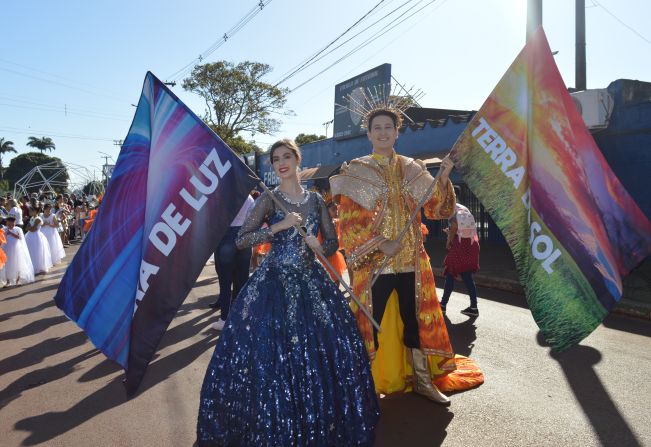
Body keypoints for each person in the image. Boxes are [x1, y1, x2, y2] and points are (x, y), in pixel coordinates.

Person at [197, 139, 379, 446]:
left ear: (297, 159)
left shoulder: (317, 201)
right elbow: (242, 239)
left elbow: (333, 242)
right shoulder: (268, 199)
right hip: (273, 282)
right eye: (275, 159)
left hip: (312, 281)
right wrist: (278, 229)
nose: (281, 163)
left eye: (286, 157)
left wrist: (320, 246)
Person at [331, 105, 483, 405]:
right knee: (369, 321)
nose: (383, 132)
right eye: (378, 128)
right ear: (369, 133)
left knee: (414, 322)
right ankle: (364, 385)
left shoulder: (412, 167)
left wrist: (444, 177)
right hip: (376, 264)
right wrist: (379, 243)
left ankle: (422, 381)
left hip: (411, 259)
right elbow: (349, 223)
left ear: (397, 131)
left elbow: (435, 209)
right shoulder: (357, 170)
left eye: (389, 127)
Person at [207, 194, 255, 330]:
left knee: (225, 281)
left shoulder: (224, 195)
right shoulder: (249, 198)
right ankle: (239, 316)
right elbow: (252, 220)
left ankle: (224, 319)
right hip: (245, 237)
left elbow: (214, 219)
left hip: (227, 236)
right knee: (241, 280)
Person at [440, 186, 481, 317]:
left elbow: (454, 227)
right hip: (471, 244)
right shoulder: (464, 208)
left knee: (450, 273)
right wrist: (452, 231)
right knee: (467, 276)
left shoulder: (452, 209)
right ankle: (474, 307)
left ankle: (442, 305)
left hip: (460, 245)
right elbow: (464, 228)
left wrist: (448, 241)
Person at [1, 214, 35, 286]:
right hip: (7, 248)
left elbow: (20, 237)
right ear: (7, 223)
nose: (11, 226)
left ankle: (17, 280)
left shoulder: (17, 229)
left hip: (16, 249)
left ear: (15, 223)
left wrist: (10, 233)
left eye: (12, 224)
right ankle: (8, 281)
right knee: (7, 265)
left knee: (18, 263)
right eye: (9, 224)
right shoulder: (4, 230)